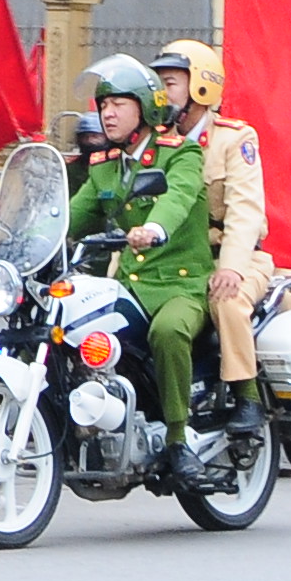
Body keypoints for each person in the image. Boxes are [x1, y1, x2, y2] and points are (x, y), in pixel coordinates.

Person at [66, 53, 215, 461]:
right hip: (130, 286)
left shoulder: (180, 153)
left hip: (180, 285)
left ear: (145, 107)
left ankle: (178, 438)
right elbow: (73, 213)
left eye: (118, 104)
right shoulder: (106, 166)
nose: (107, 114)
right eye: (103, 105)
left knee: (167, 332)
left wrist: (155, 229)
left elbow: (177, 197)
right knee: (73, 330)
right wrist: (21, 235)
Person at [152, 39, 269, 400]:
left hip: (232, 258)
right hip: (175, 261)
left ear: (201, 86)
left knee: (226, 300)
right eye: (158, 85)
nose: (161, 94)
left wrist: (232, 268)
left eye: (170, 84)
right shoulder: (156, 143)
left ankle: (245, 395)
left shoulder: (234, 139)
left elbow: (246, 211)